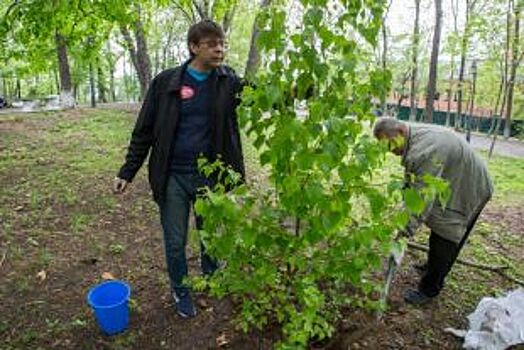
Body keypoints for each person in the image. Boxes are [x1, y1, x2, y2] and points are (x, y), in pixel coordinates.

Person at [113, 20, 245, 318]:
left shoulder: (228, 81)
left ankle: (212, 277)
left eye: (222, 44)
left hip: (210, 175)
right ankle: (181, 289)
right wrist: (126, 172)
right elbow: (144, 130)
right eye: (212, 44)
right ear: (194, 47)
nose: (220, 49)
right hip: (172, 176)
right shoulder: (166, 82)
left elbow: (261, 98)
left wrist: (296, 92)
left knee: (209, 235)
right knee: (175, 242)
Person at [373, 117, 493, 305]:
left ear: (401, 132)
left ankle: (430, 288)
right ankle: (431, 266)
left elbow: (422, 199)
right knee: (438, 223)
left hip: (471, 186)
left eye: (390, 145)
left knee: (447, 233)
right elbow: (414, 183)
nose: (390, 151)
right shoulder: (412, 137)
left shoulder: (425, 151)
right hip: (452, 177)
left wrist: (404, 233)